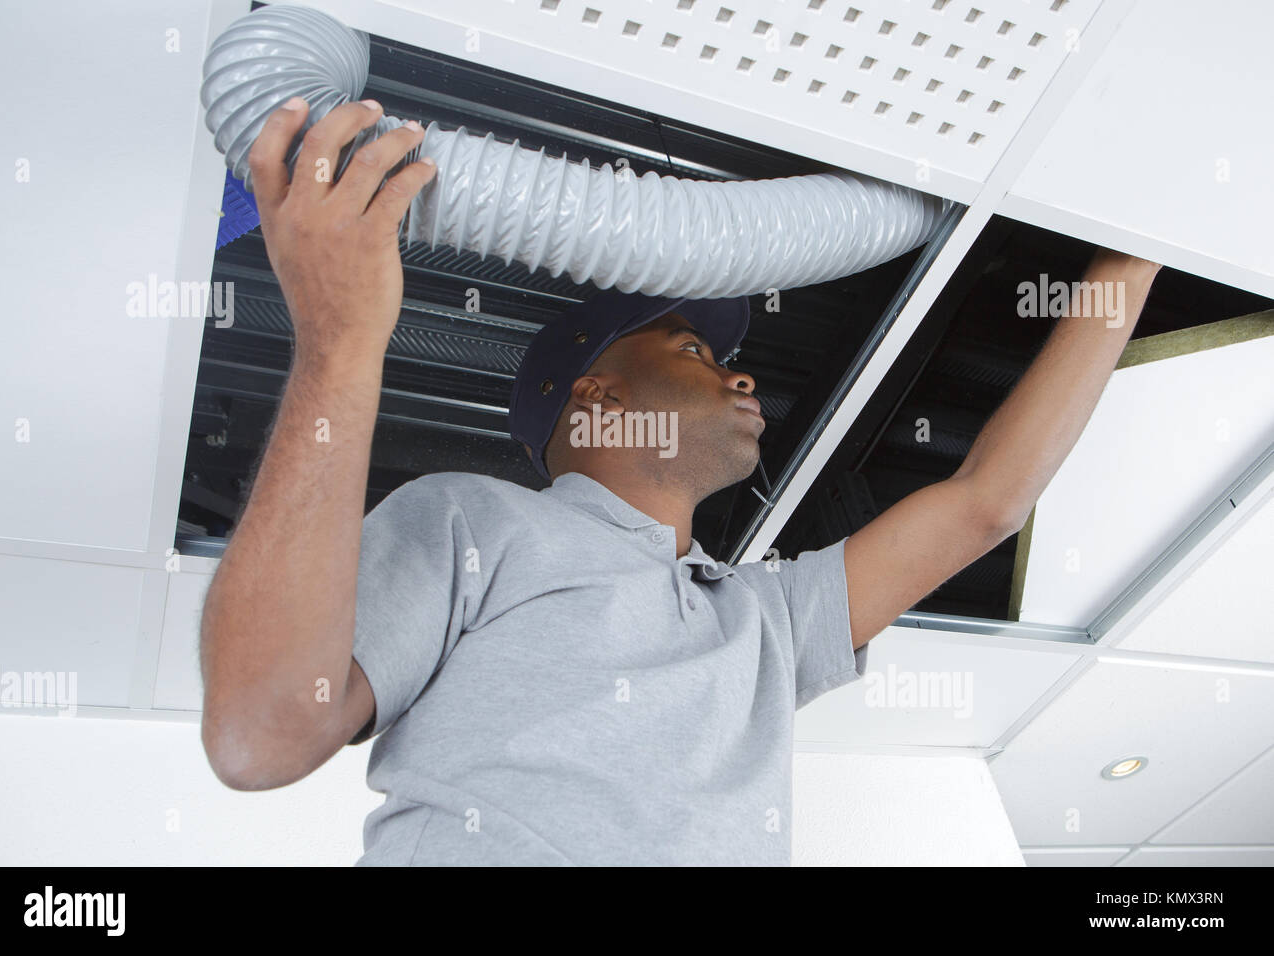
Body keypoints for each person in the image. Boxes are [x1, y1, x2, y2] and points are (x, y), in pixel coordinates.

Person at [199, 97, 1162, 865]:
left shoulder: (761, 622)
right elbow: (260, 734)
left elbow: (985, 501)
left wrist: (1139, 249)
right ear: (598, 396)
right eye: (696, 347)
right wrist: (341, 334)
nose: (742, 375)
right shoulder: (471, 522)